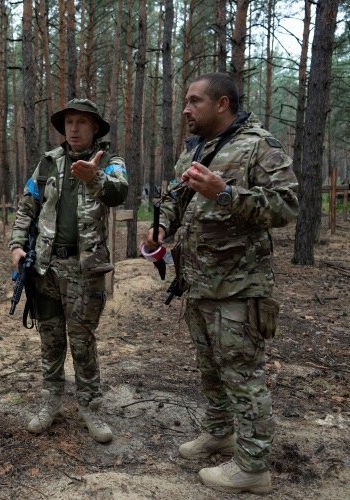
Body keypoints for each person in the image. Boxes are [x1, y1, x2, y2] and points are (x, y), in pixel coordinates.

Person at [142, 73, 298, 493]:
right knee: (210, 368)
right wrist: (161, 227)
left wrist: (225, 192)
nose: (186, 109)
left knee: (243, 375)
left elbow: (287, 207)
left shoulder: (259, 145)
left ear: (222, 103)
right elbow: (175, 197)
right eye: (186, 101)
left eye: (195, 101)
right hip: (198, 283)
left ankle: (253, 467)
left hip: (240, 288)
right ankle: (218, 432)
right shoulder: (194, 148)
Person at [9, 98, 128, 443]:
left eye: (82, 122)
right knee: (50, 337)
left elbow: (118, 193)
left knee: (82, 340)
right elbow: (27, 206)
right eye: (69, 122)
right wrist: (17, 245)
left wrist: (95, 178)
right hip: (46, 267)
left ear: (95, 128)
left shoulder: (110, 162)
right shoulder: (48, 163)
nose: (74, 129)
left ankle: (91, 406)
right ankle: (51, 401)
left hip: (85, 268)